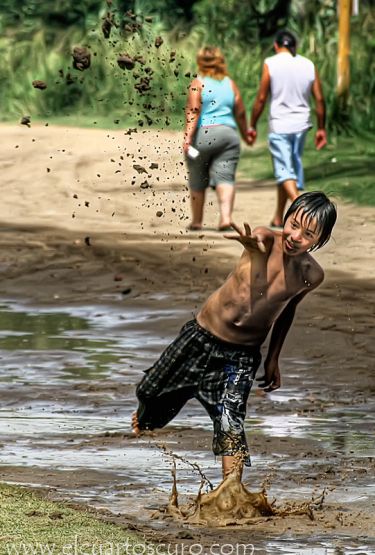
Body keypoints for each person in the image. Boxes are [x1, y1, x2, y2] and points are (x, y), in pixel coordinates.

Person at [132, 191, 337, 480]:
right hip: (201, 337)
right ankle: (147, 415)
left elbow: (286, 311)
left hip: (241, 355)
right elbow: (259, 259)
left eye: (308, 234)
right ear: (286, 218)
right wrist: (252, 248)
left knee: (230, 419)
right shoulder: (264, 239)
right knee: (150, 392)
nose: (295, 236)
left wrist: (273, 359)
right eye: (293, 224)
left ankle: (231, 489)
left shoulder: (311, 275)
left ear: (320, 240)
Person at [248, 30, 327, 228]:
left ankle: (305, 213)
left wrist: (252, 124)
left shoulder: (271, 63)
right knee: (288, 170)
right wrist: (322, 128)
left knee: (285, 172)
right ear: (295, 46)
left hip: (280, 125)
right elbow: (319, 98)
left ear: (276, 46)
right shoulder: (308, 64)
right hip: (301, 126)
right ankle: (278, 216)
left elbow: (261, 98)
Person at [183, 46, 251, 232]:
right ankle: (226, 219)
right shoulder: (230, 83)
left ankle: (197, 221)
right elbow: (241, 111)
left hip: (203, 136)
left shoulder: (198, 83)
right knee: (225, 177)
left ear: (199, 62)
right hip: (228, 136)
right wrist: (246, 134)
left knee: (197, 177)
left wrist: (188, 137)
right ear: (221, 61)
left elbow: (194, 110)